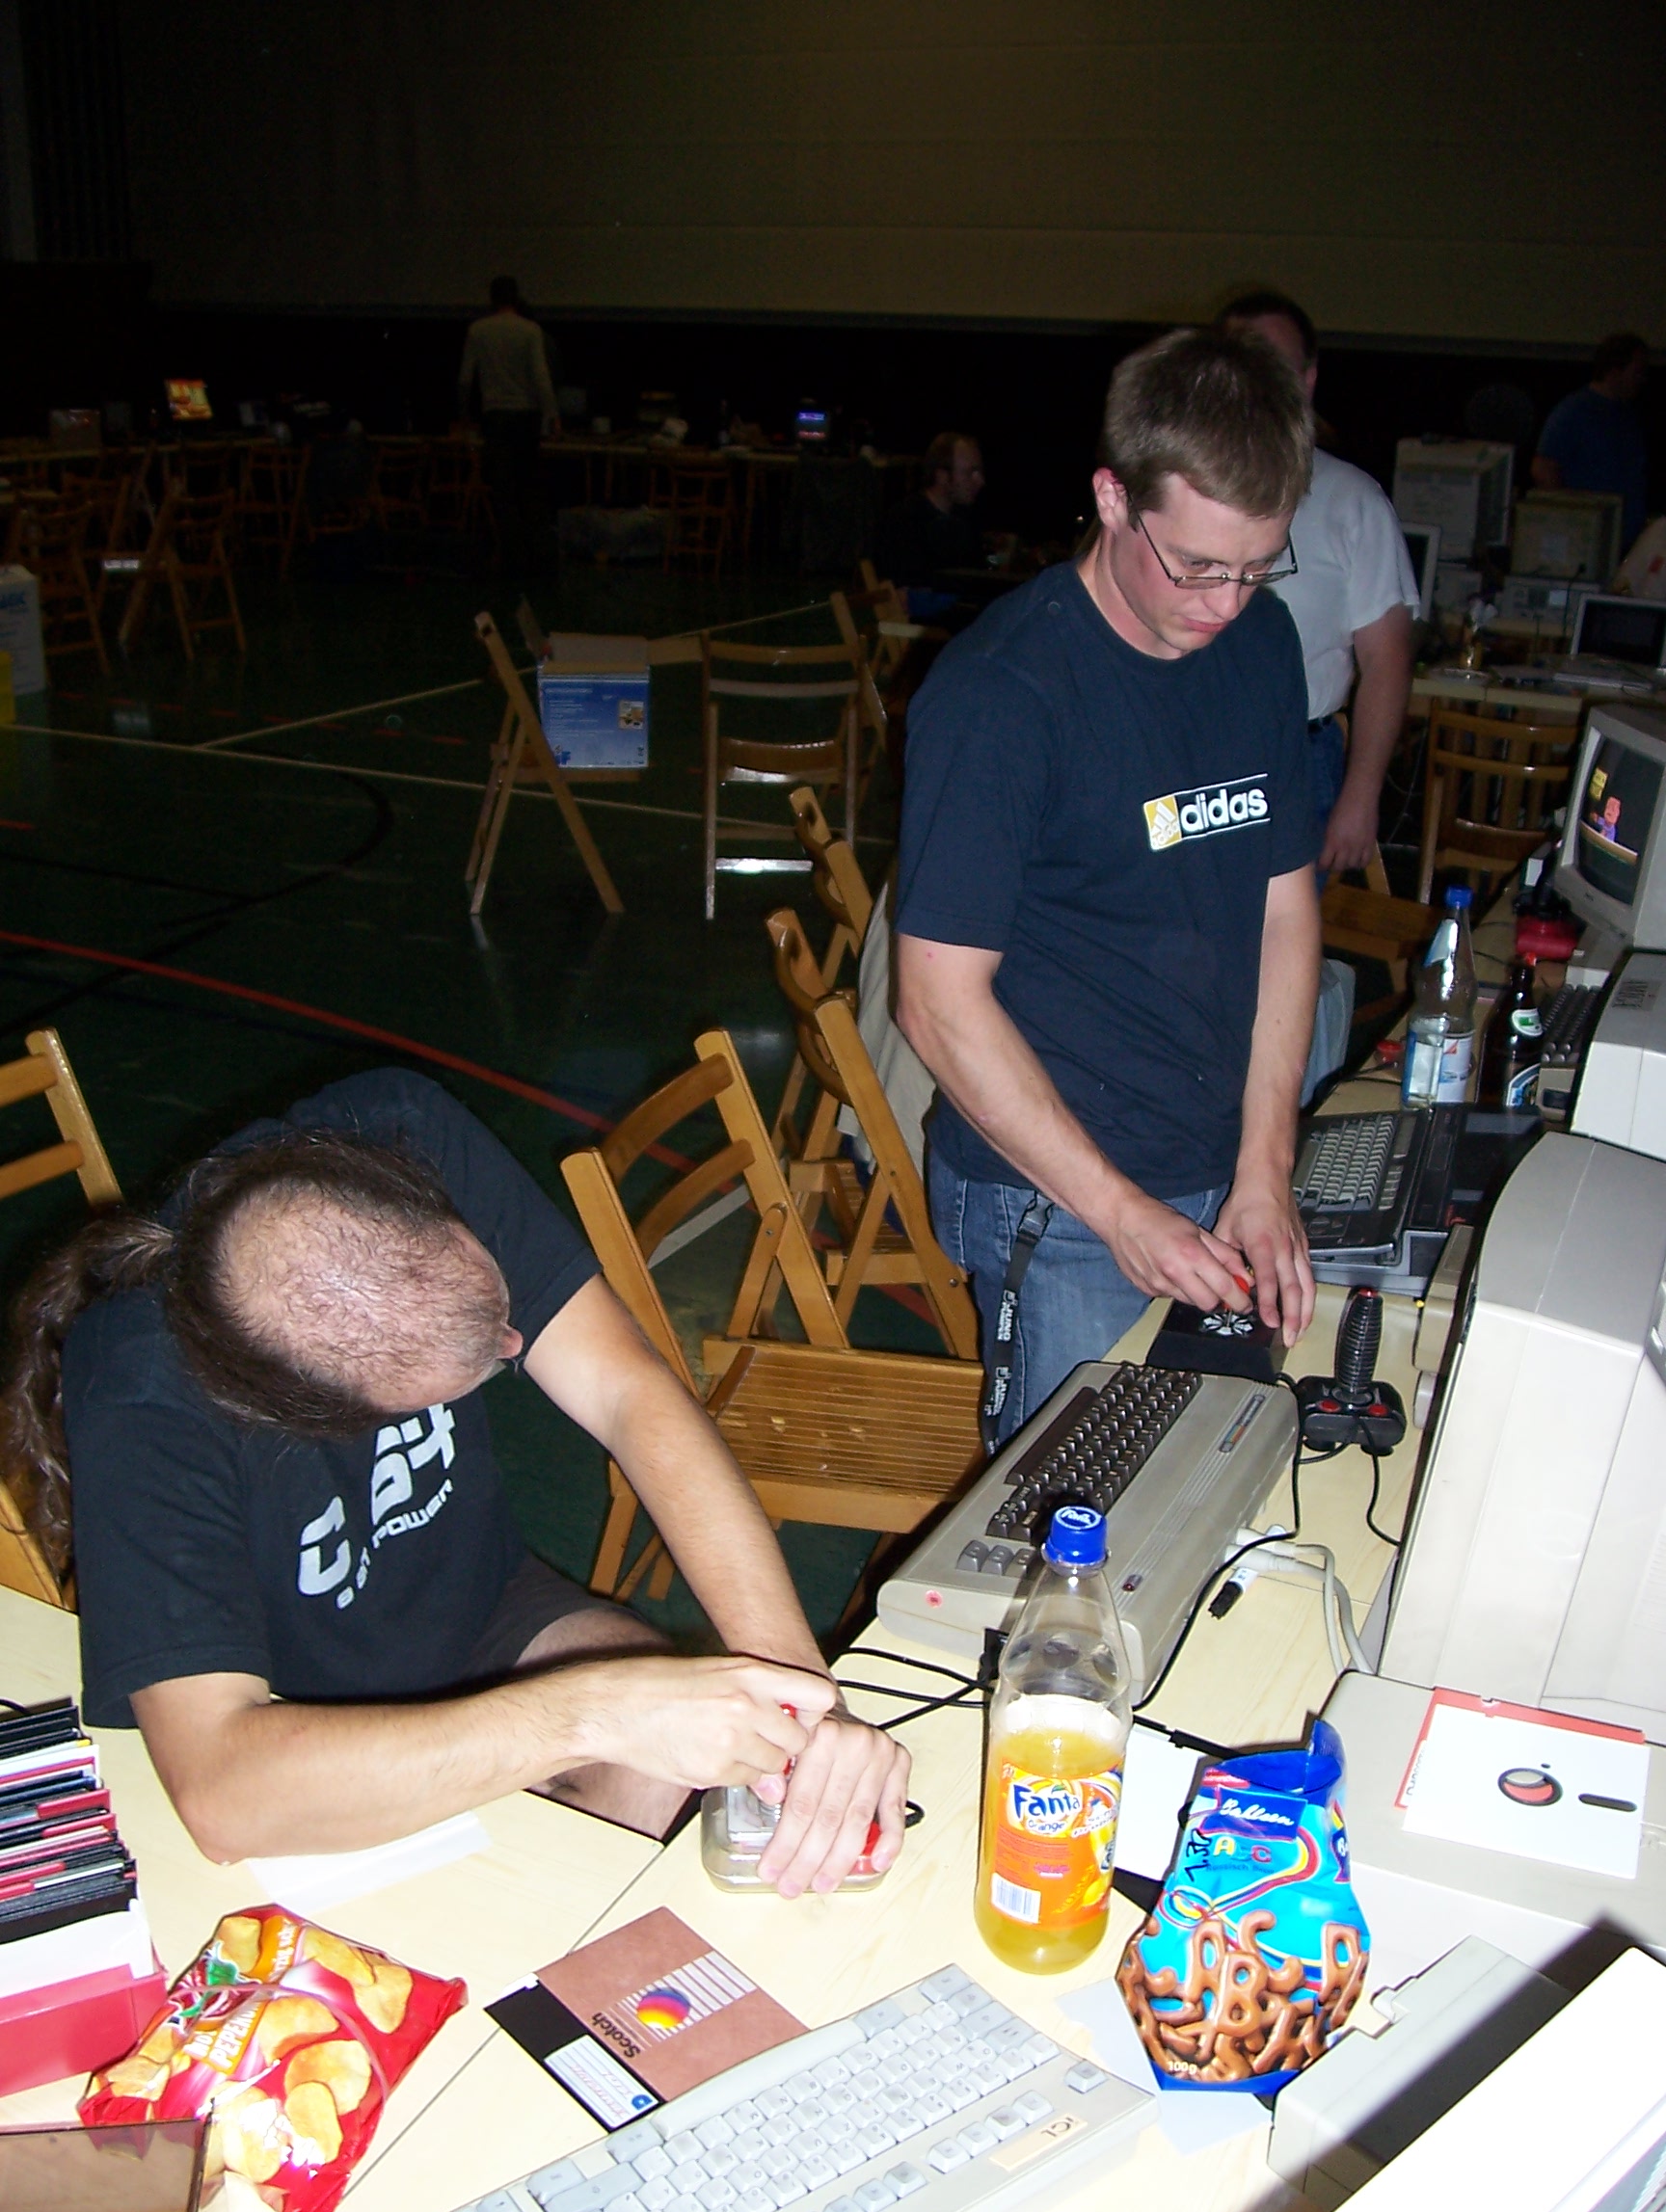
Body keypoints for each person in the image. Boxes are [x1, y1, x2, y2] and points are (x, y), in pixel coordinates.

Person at [0, 1070, 905, 1895]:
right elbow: (224, 1794)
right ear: (303, 1415)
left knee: (720, 1790)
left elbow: (625, 1390)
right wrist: (588, 1714)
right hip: (304, 1718)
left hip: (489, 1608)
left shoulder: (401, 1130)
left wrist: (800, 1693)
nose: (517, 1347)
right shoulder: (141, 1397)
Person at [894, 329, 1320, 1446]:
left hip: (1217, 1157)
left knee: (1211, 1475)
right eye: (1197, 566)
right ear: (1113, 498)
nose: (1226, 604)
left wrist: (1266, 1164)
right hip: (1059, 1198)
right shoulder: (1003, 694)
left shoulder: (1264, 645)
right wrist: (1120, 1210)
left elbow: (1284, 912)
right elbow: (937, 1004)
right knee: (1069, 1509)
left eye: (1258, 567)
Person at [1220, 292, 1419, 876]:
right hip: (1188, 745)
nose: (1256, 382)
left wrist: (1361, 796)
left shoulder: (1352, 500)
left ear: (1306, 379)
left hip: (1298, 760)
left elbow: (1387, 662)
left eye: (1273, 364)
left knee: (1283, 927)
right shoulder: (1175, 492)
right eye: (1241, 362)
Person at [457, 276, 561, 570]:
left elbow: (465, 379)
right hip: (526, 416)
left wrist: (464, 414)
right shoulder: (530, 330)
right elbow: (540, 377)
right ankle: (535, 555)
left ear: (492, 299)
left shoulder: (478, 331)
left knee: (502, 490)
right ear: (516, 298)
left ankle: (510, 556)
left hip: (495, 416)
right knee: (529, 486)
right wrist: (551, 415)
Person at [1533, 333, 1651, 550]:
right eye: (1637, 372)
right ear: (1615, 371)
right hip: (1589, 542)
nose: (1642, 379)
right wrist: (1573, 523)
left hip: (1625, 541)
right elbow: (1544, 470)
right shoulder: (1574, 411)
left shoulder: (1627, 415)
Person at [875, 432, 986, 590]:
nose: (980, 481)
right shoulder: (906, 521)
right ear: (942, 476)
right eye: (970, 473)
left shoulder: (965, 519)